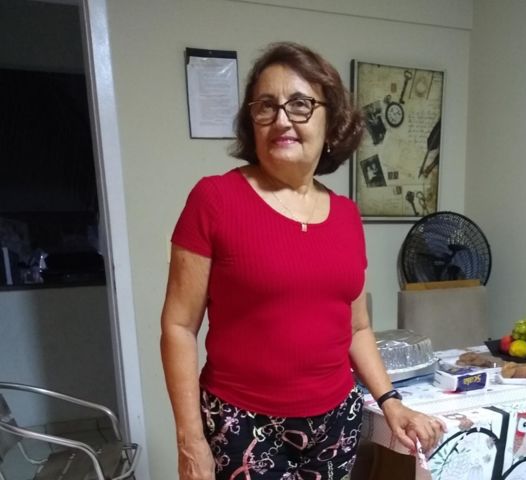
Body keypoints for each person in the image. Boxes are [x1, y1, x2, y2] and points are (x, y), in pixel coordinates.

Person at [160, 41, 446, 480]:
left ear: (331, 122)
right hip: (244, 425)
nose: (281, 119)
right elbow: (179, 327)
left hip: (336, 423)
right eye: (265, 106)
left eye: (300, 104)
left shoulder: (346, 216)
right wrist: (190, 440)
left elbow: (357, 328)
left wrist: (390, 401)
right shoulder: (214, 200)